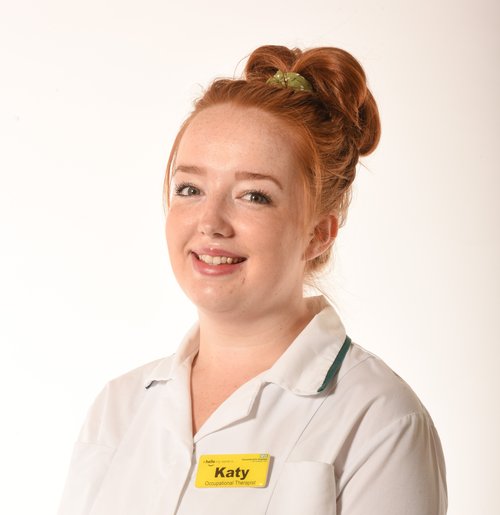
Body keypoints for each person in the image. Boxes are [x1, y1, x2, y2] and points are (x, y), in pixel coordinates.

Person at [57, 45, 447, 515]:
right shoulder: (118, 411)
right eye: (190, 189)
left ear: (318, 234)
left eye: (254, 196)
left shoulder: (379, 420)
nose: (211, 222)